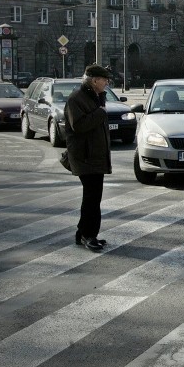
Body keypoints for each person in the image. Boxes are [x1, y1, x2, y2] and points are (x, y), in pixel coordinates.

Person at [65, 64, 112, 253]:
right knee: (92, 198)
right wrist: (100, 112)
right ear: (94, 80)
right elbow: (79, 125)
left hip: (95, 156)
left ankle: (84, 233)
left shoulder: (96, 97)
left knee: (94, 197)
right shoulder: (76, 99)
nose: (107, 82)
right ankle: (87, 235)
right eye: (104, 79)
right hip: (85, 156)